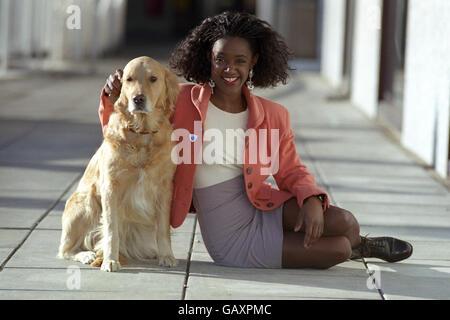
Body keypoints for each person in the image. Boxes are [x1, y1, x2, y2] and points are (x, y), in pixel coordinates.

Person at [99, 11, 412, 269]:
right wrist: (113, 95)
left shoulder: (272, 114)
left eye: (240, 60)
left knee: (345, 222)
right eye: (221, 59)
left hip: (262, 204)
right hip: (229, 235)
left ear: (254, 63)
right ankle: (355, 248)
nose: (229, 69)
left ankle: (363, 243)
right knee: (339, 249)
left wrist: (311, 199)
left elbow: (291, 171)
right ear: (209, 59)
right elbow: (125, 131)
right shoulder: (180, 100)